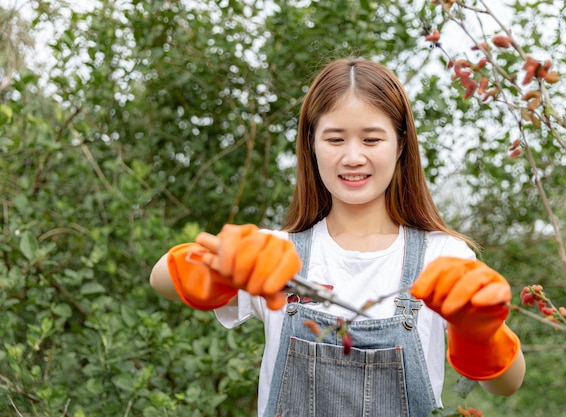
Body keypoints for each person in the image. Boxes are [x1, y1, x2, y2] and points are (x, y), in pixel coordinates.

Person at [150, 57, 525, 417]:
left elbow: (506, 386)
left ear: (401, 146)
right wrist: (220, 271)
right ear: (311, 146)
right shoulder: (274, 253)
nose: (353, 156)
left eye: (372, 139)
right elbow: (161, 280)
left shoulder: (443, 255)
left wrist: (481, 333)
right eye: (335, 139)